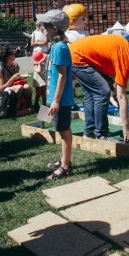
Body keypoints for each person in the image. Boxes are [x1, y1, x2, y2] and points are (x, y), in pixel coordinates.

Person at [69, 35, 129, 142]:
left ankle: (89, 132)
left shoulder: (125, 48)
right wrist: (126, 128)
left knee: (90, 95)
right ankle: (102, 134)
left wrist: (112, 86)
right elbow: (121, 96)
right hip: (79, 58)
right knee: (102, 93)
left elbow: (102, 63)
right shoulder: (126, 59)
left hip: (74, 54)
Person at [36, 10, 74, 180]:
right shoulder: (56, 46)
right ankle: (63, 160)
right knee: (57, 128)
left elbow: (62, 75)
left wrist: (56, 101)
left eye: (46, 25)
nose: (43, 28)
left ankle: (65, 166)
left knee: (63, 131)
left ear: (55, 28)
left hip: (61, 100)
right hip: (53, 98)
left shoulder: (59, 47)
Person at [0, 48, 32, 116]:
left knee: (27, 87)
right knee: (19, 88)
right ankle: (15, 108)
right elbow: (1, 88)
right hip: (6, 89)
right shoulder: (0, 69)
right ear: (9, 57)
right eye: (13, 54)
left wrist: (21, 77)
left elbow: (17, 80)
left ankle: (28, 105)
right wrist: (12, 79)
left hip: (15, 85)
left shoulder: (15, 65)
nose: (15, 55)